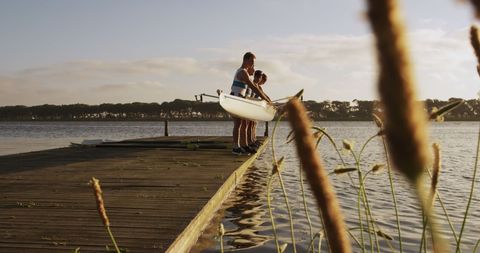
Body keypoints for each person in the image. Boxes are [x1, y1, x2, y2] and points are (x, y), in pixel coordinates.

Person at [230, 52, 271, 155]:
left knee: (240, 124)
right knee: (238, 124)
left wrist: (266, 99)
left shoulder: (245, 72)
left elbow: (255, 87)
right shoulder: (242, 72)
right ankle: (236, 147)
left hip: (240, 100)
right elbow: (253, 87)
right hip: (236, 99)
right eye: (252, 61)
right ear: (246, 60)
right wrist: (265, 99)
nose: (253, 64)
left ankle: (242, 146)